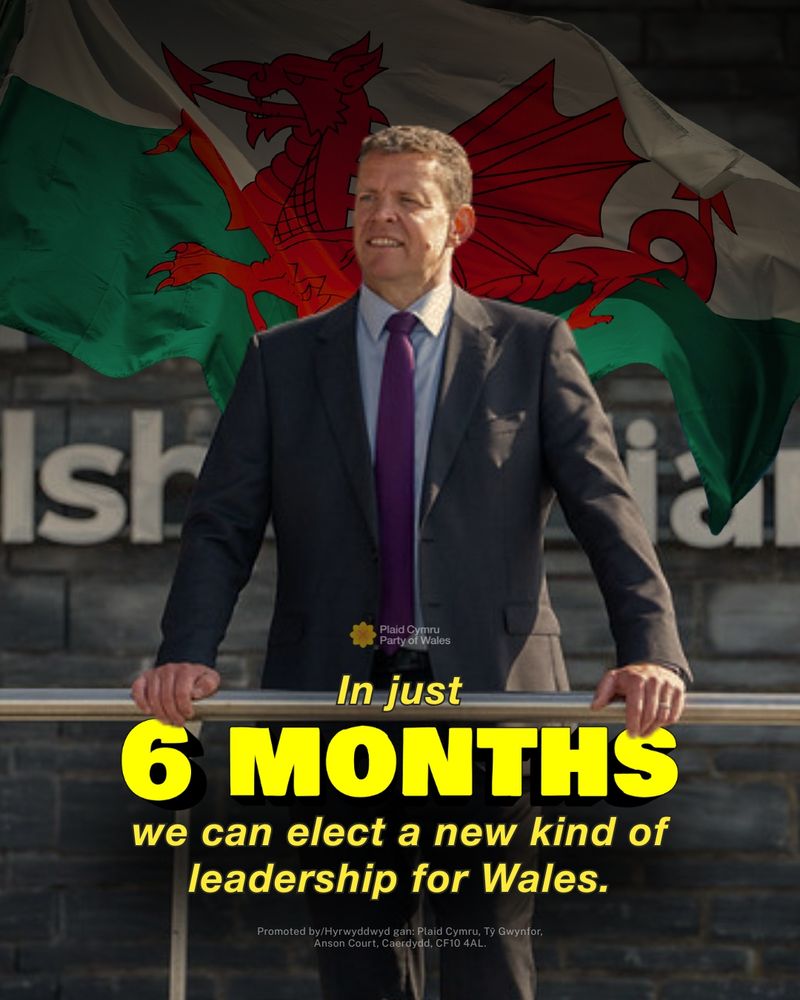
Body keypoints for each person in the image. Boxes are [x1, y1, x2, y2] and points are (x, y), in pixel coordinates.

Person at [132, 125, 689, 999]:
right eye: (363, 197)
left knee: (488, 964)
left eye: (406, 199)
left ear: (458, 222)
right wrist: (184, 651)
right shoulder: (281, 358)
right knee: (356, 969)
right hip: (330, 704)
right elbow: (221, 525)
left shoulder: (534, 347)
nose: (376, 215)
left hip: (491, 706)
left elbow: (606, 510)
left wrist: (651, 647)